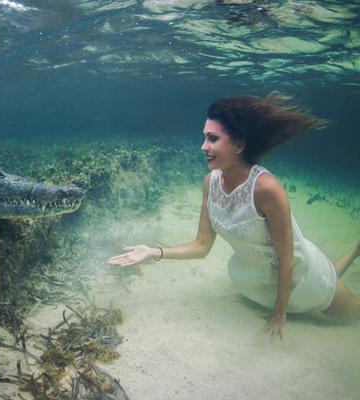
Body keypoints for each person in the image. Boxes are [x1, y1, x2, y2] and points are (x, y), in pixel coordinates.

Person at [107, 93, 360, 338]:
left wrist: (279, 313)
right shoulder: (210, 182)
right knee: (332, 277)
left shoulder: (266, 188)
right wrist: (153, 252)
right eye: (204, 137)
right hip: (255, 281)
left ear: (239, 144)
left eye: (212, 138)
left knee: (350, 311)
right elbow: (201, 246)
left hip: (300, 279)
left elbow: (289, 260)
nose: (203, 146)